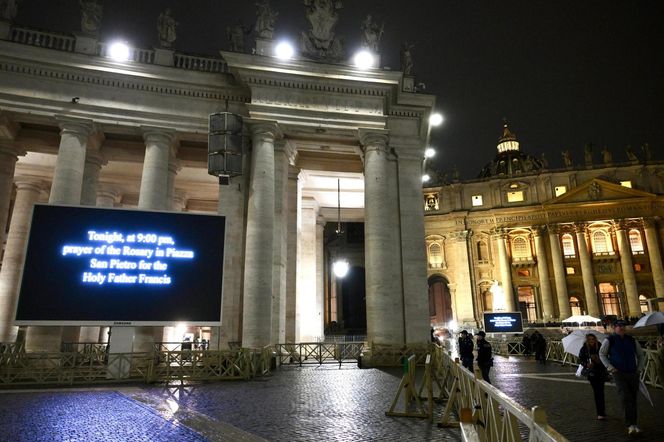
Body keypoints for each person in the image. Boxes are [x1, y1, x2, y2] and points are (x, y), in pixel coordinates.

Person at [599, 320, 645, 436]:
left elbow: (640, 355)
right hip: (618, 373)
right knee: (625, 397)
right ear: (614, 328)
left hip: (633, 372)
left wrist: (639, 368)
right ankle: (629, 424)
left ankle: (634, 423)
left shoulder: (631, 340)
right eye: (619, 326)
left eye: (623, 326)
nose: (622, 328)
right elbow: (602, 354)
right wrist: (610, 367)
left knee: (633, 398)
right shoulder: (609, 340)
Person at [578, 333, 607, 420]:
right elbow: (580, 359)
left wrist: (598, 360)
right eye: (590, 339)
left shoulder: (601, 347)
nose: (592, 341)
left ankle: (602, 411)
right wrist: (587, 364)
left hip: (601, 372)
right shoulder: (584, 349)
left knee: (601, 392)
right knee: (597, 392)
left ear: (595, 339)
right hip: (592, 373)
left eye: (593, 339)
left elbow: (605, 358)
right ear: (587, 340)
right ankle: (600, 413)